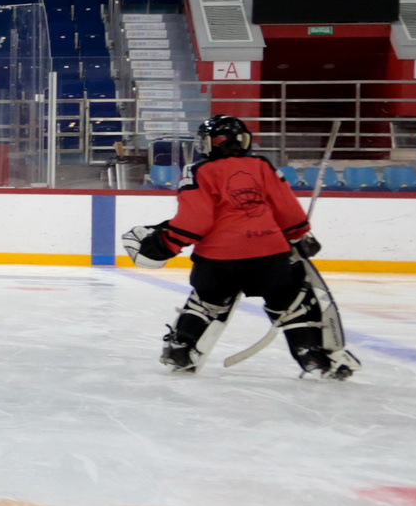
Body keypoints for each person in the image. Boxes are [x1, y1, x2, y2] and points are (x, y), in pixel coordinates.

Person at [123, 113, 358, 380]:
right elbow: (286, 209)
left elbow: (196, 221)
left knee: (205, 302)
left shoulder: (198, 171)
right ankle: (311, 355)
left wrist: (166, 244)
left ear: (211, 143)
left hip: (218, 259)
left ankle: (180, 349)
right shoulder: (262, 166)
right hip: (270, 255)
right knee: (290, 304)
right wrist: (299, 235)